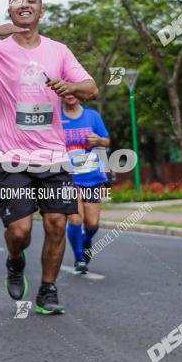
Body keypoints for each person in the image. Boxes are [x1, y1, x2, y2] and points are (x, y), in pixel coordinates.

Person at [0, 0, 98, 315]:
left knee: (57, 223)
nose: (25, 3)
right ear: (10, 11)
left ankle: (48, 289)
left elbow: (91, 88)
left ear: (41, 11)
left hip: (53, 157)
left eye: (32, 0)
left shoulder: (58, 51)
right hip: (10, 158)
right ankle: (15, 261)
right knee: (19, 232)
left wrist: (70, 86)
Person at [61, 94, 111, 273]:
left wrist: (98, 140)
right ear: (60, 95)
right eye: (66, 92)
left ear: (80, 95)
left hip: (91, 176)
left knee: (92, 223)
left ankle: (85, 242)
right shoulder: (57, 118)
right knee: (75, 218)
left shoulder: (92, 116)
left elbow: (106, 140)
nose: (70, 95)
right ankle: (79, 258)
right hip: (67, 177)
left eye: (74, 92)